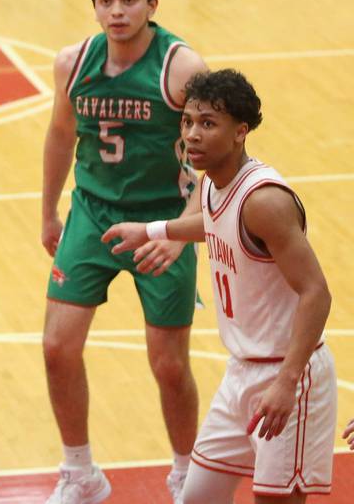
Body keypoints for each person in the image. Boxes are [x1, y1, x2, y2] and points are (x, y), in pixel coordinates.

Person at [103, 69, 337, 504]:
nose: (192, 134)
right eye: (188, 121)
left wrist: (288, 381)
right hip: (241, 372)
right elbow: (215, 223)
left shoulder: (265, 201)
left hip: (288, 373)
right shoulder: (212, 179)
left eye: (208, 123)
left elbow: (317, 293)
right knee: (197, 497)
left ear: (240, 132)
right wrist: (154, 230)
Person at [41, 0, 208, 504]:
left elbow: (215, 155)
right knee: (57, 347)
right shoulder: (73, 62)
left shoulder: (182, 68)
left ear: (152, 3)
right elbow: (62, 134)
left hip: (161, 218)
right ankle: (79, 473)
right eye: (106, 0)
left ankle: (188, 473)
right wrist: (49, 211)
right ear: (94, 6)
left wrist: (184, 228)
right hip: (92, 210)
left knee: (167, 363)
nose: (117, 11)